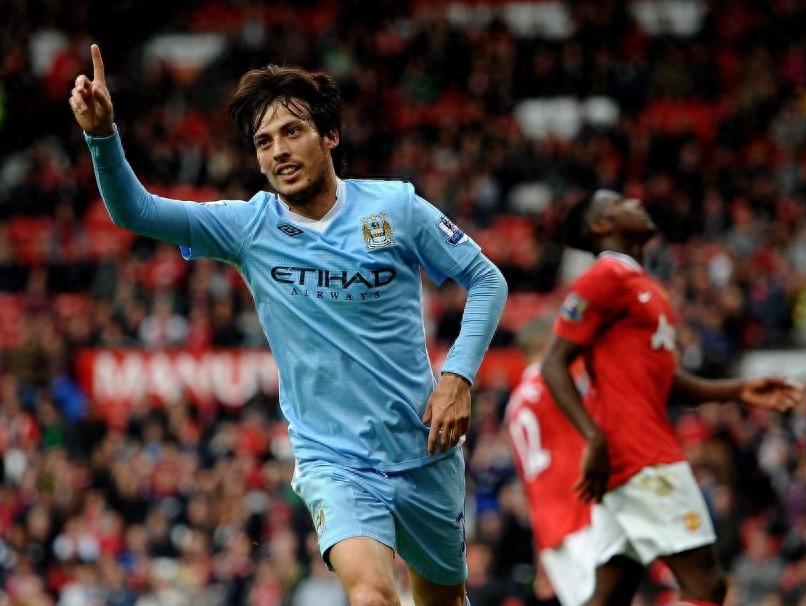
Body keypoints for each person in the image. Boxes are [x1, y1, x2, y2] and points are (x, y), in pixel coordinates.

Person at [69, 45, 507, 606]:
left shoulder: (395, 207)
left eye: (292, 132)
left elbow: (486, 279)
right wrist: (102, 136)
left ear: (330, 136)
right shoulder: (249, 228)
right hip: (334, 460)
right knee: (371, 595)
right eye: (264, 141)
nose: (278, 150)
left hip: (424, 448)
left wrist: (458, 377)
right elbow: (137, 211)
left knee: (442, 599)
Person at [538, 190, 803, 606]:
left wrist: (739, 390)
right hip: (642, 457)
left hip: (626, 459)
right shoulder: (605, 277)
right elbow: (553, 364)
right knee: (706, 585)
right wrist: (593, 437)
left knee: (610, 594)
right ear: (601, 226)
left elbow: (668, 383)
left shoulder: (644, 287)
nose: (635, 203)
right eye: (619, 204)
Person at [504, 320, 593, 606]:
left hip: (547, 523)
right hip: (579, 508)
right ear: (549, 344)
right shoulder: (555, 383)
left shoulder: (514, 403)